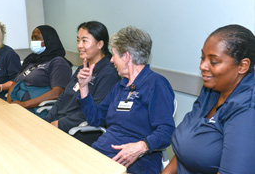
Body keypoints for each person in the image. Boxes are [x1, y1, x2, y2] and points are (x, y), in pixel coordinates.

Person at [77, 26, 175, 174]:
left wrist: (141, 146)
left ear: (127, 57)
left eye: (114, 54)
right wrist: (84, 88)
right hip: (102, 153)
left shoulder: (156, 84)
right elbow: (95, 119)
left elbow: (167, 131)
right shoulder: (120, 87)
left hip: (136, 161)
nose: (111, 60)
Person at [162, 24, 255, 174]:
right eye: (202, 57)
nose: (202, 66)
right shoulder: (211, 89)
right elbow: (184, 150)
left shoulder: (247, 110)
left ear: (243, 66)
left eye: (213, 61)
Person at [43, 21, 120, 145]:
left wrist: (60, 124)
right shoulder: (81, 69)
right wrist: (47, 120)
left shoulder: (108, 74)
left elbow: (95, 112)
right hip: (59, 124)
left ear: (100, 44)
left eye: (84, 41)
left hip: (80, 131)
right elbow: (62, 98)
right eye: (78, 40)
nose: (79, 45)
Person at [7, 25, 72, 117]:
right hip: (18, 107)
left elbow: (57, 93)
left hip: (37, 110)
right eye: (32, 38)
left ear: (48, 39)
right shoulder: (31, 59)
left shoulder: (58, 62)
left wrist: (24, 104)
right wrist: (9, 103)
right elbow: (15, 82)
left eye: (37, 38)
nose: (33, 41)